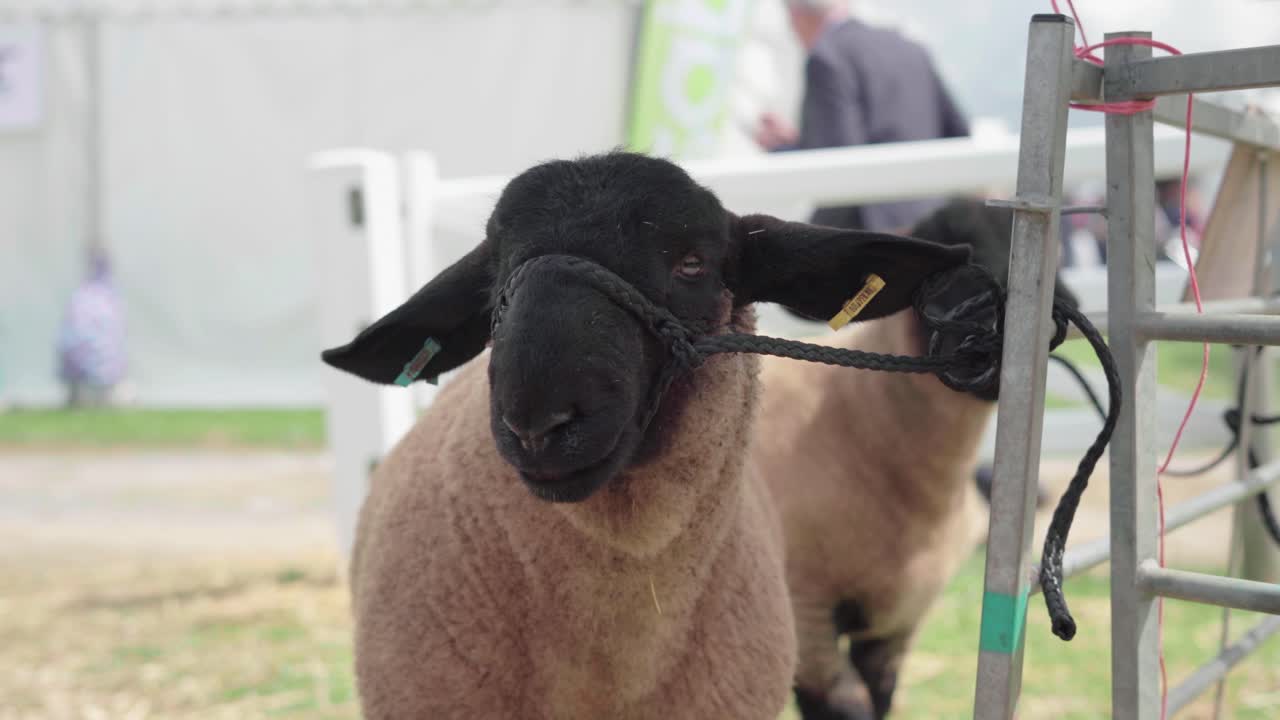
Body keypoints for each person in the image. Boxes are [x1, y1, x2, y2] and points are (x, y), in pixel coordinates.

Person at [755, 0, 971, 232]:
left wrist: (780, 148)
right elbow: (958, 132)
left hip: (871, 235)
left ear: (796, 16)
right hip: (932, 225)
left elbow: (836, 164)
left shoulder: (827, 56)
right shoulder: (910, 47)